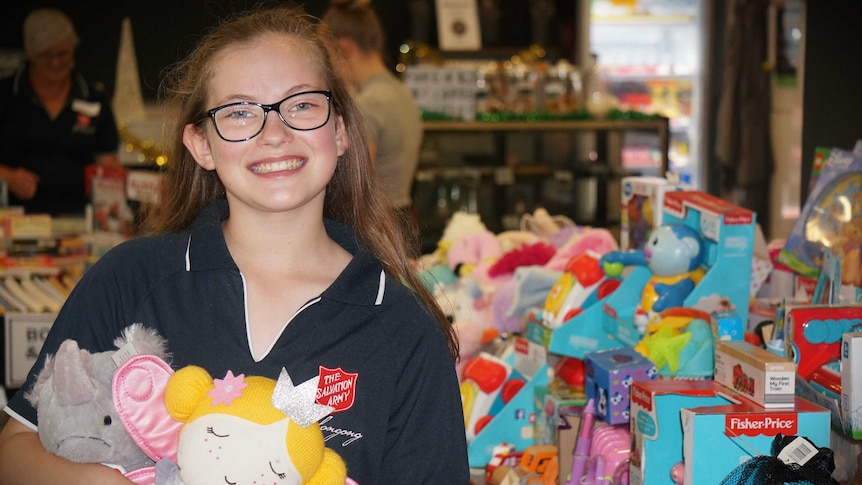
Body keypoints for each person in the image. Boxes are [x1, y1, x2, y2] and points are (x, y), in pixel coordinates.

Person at [0, 4, 468, 485]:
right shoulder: (128, 278)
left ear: (341, 129)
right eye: (240, 113)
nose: (275, 133)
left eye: (302, 104)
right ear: (201, 144)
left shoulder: (401, 327)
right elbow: (14, 451)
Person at [320, 0, 424, 254]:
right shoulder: (400, 93)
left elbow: (354, 185)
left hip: (375, 231)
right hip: (402, 224)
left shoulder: (367, 104)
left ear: (343, 48)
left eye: (327, 57)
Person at [0, 8, 122, 217]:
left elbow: (108, 164)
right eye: (46, 55)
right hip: (16, 218)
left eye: (62, 54)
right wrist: (8, 176)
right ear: (30, 54)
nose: (56, 62)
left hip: (81, 218)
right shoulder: (5, 95)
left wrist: (143, 188)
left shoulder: (93, 97)